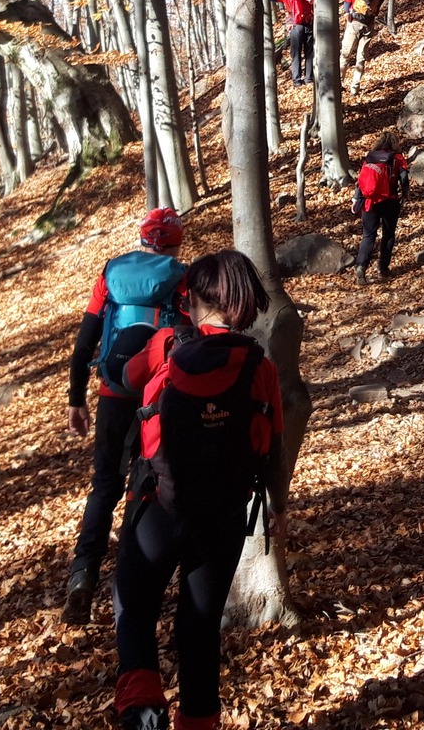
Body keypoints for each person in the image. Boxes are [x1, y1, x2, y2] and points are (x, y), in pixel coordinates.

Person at [112, 250, 286, 730]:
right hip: (225, 514)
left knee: (133, 601)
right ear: (242, 304)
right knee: (199, 630)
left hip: (159, 506)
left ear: (193, 300)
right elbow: (272, 444)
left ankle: (142, 708)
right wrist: (279, 507)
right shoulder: (262, 367)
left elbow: (122, 378)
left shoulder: (167, 343)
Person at [64, 206, 188, 624]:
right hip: (160, 393)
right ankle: (134, 583)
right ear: (174, 240)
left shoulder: (110, 275)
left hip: (112, 393)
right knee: (153, 481)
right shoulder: (179, 277)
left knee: (104, 486)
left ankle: (83, 574)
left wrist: (76, 399)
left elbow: (85, 344)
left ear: (143, 238)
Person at [352, 131, 408, 283]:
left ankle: (361, 266)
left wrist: (357, 199)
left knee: (368, 235)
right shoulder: (398, 158)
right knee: (388, 235)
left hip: (370, 202)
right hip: (390, 201)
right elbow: (404, 179)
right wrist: (405, 194)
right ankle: (383, 268)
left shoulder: (370, 158)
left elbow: (361, 181)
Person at [271, 0, 315, 85]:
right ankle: (309, 78)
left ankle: (297, 80)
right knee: (309, 52)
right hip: (308, 23)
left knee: (296, 54)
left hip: (296, 25)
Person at [339, 0, 379, 86]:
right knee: (361, 57)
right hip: (369, 24)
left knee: (345, 54)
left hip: (355, 23)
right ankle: (355, 86)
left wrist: (347, 15)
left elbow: (346, 4)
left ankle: (339, 83)